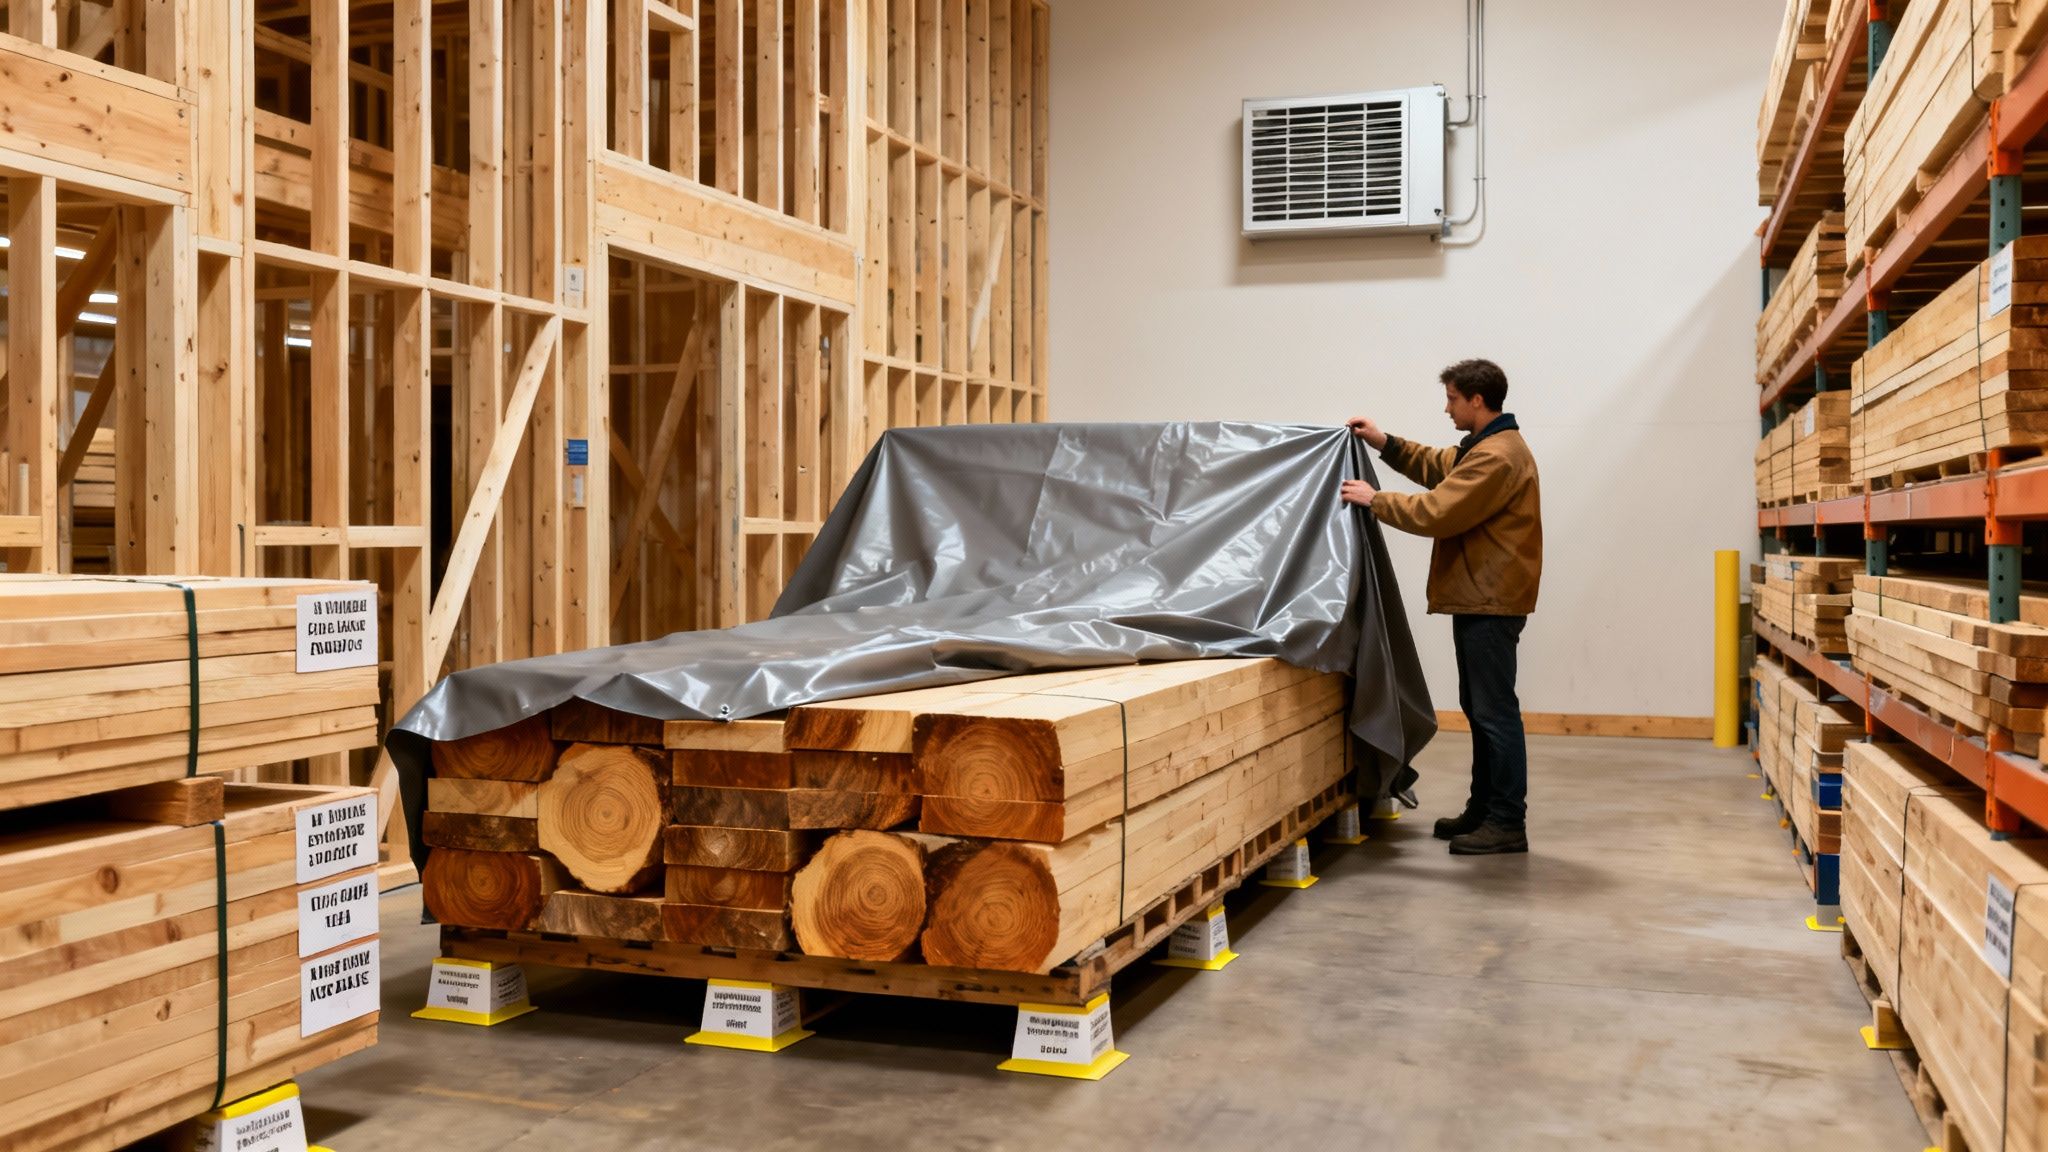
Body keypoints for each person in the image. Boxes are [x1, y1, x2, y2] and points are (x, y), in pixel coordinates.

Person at [1342, 359, 1542, 855]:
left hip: (1489, 599)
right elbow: (1439, 466)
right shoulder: (1487, 448)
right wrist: (1383, 441)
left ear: (1477, 400)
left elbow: (1438, 511)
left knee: (1494, 712)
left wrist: (1375, 499)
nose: (1446, 406)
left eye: (1452, 398)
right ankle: (1484, 808)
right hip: (1480, 594)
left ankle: (1506, 821)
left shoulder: (1498, 457)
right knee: (1481, 709)